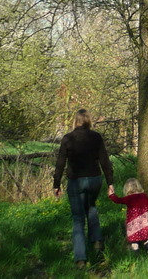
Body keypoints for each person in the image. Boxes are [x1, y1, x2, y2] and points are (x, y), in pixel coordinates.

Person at [53, 109, 115, 268]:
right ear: (88, 121)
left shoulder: (68, 138)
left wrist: (56, 184)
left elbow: (60, 163)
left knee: (78, 218)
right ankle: (97, 240)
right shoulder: (96, 137)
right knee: (91, 207)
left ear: (76, 121)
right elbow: (105, 161)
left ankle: (80, 258)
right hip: (94, 180)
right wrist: (110, 183)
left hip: (76, 182)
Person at [109, 178, 148, 253]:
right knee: (145, 237)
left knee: (134, 240)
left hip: (132, 223)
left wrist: (111, 195)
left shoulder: (129, 198)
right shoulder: (144, 196)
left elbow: (118, 200)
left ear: (127, 189)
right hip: (143, 221)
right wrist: (145, 212)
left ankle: (136, 256)